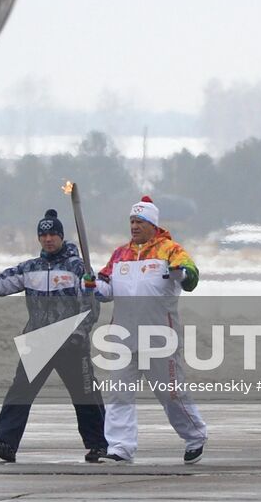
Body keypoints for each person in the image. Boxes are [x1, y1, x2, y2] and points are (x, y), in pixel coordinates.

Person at [0, 208, 106, 463]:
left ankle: (99, 444)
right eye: (44, 235)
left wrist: (79, 333)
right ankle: (6, 443)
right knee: (20, 393)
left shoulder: (78, 268)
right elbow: (0, 283)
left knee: (86, 395)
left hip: (70, 342)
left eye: (53, 234)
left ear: (62, 236)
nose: (48, 239)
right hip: (39, 341)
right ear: (38, 239)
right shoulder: (30, 268)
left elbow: (91, 304)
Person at [86, 195, 207, 464]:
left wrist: (182, 274)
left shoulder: (170, 250)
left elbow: (192, 275)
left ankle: (195, 435)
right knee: (119, 393)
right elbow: (106, 290)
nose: (134, 226)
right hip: (123, 338)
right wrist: (93, 286)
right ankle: (120, 447)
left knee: (170, 393)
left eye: (140, 221)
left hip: (159, 338)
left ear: (152, 223)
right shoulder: (120, 254)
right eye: (131, 221)